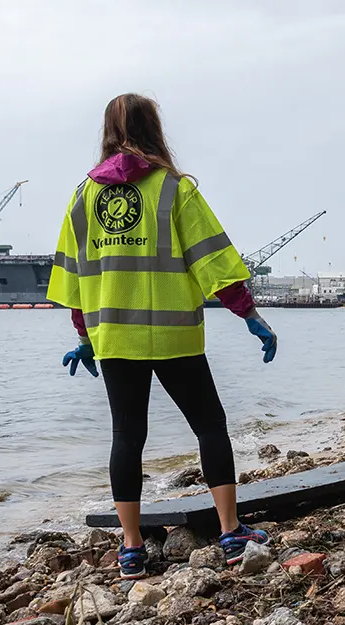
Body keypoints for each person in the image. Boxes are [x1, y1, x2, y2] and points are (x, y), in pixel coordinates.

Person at [47, 93, 274, 580]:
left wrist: (85, 335)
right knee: (209, 425)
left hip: (115, 340)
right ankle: (231, 533)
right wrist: (250, 314)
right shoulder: (174, 190)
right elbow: (212, 261)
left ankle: (131, 549)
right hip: (174, 337)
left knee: (127, 436)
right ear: (155, 130)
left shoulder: (83, 198)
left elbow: (73, 278)